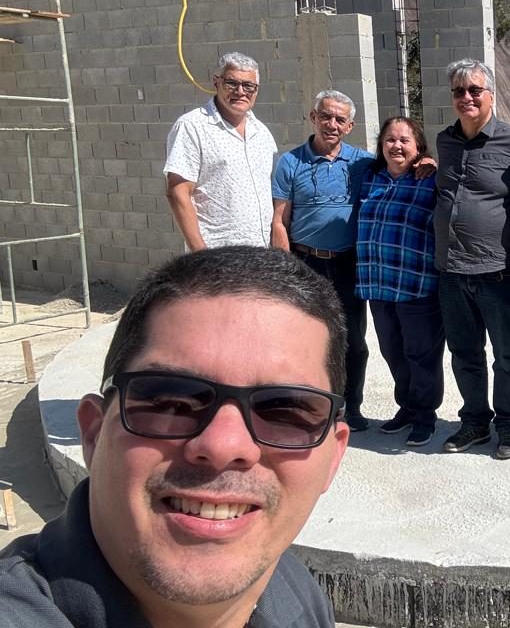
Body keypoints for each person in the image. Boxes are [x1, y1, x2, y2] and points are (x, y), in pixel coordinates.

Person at [0, 246, 350, 626]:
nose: (223, 446)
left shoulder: (296, 595)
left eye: (283, 411)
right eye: (171, 402)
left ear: (333, 457)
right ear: (94, 433)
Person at [434, 59, 510, 460]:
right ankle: (474, 422)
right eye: (459, 91)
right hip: (451, 271)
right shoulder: (444, 141)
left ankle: (509, 429)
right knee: (464, 354)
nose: (466, 97)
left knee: (508, 356)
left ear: (490, 94)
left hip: (498, 273)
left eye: (475, 90)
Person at [271, 90, 374, 433]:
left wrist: (424, 163)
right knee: (307, 338)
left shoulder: (363, 162)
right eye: (325, 116)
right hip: (306, 264)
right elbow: (278, 220)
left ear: (350, 126)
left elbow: (399, 167)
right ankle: (311, 404)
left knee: (352, 340)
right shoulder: (291, 162)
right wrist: (286, 270)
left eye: (339, 119)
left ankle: (351, 407)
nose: (332, 124)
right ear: (312, 118)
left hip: (349, 264)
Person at [356, 117, 446, 448]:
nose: (397, 146)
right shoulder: (369, 178)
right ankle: (406, 408)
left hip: (417, 285)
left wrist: (432, 163)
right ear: (381, 146)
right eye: (390, 140)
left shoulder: (430, 180)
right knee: (393, 351)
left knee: (422, 355)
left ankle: (425, 416)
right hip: (378, 284)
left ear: (418, 148)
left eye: (405, 141)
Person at [164, 52, 277, 250]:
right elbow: (178, 192)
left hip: (260, 254)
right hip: (217, 257)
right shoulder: (193, 126)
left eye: (248, 85)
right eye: (232, 83)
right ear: (216, 83)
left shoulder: (262, 133)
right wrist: (202, 256)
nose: (240, 91)